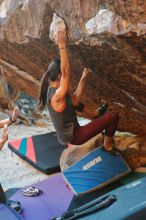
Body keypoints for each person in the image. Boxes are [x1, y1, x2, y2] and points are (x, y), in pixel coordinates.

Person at [39, 27, 120, 155]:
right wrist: (62, 45)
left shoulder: (54, 91)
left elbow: (75, 101)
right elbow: (66, 72)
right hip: (76, 136)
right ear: (59, 75)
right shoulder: (56, 96)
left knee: (74, 104)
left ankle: (95, 114)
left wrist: (83, 78)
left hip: (70, 134)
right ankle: (108, 146)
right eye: (62, 74)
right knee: (113, 116)